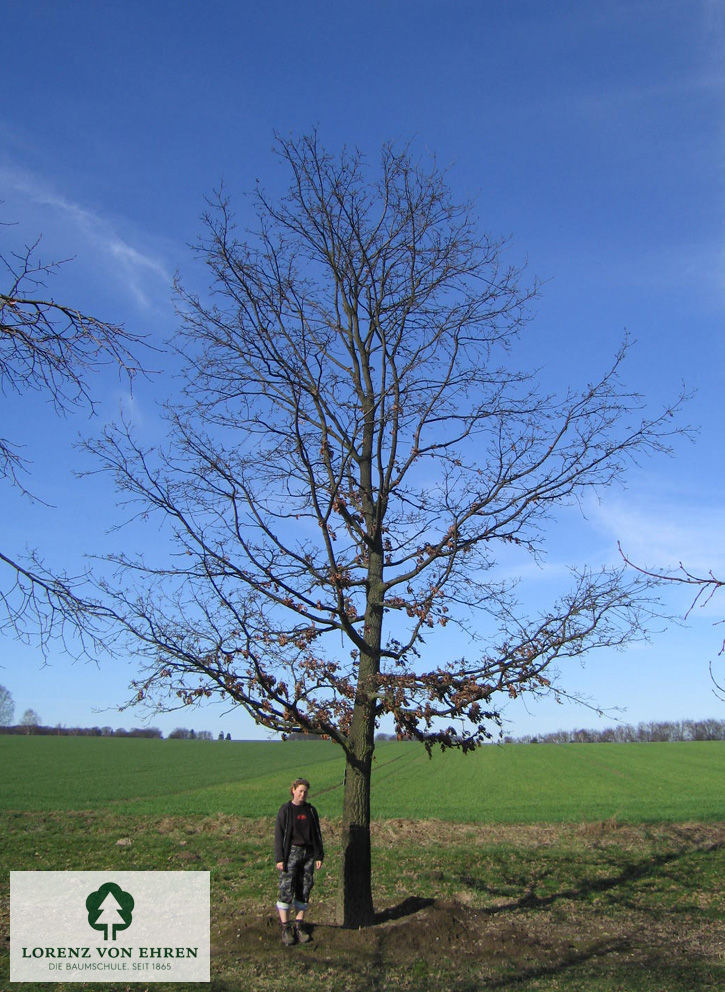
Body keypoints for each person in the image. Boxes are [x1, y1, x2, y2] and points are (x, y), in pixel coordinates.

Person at [274, 777, 324, 946]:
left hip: (308, 853)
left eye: (305, 791)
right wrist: (279, 858)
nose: (303, 794)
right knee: (286, 888)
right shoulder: (286, 810)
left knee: (305, 887)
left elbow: (317, 834)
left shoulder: (311, 811)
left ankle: (299, 925)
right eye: (300, 790)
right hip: (291, 853)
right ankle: (286, 927)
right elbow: (279, 835)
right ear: (293, 790)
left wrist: (319, 855)